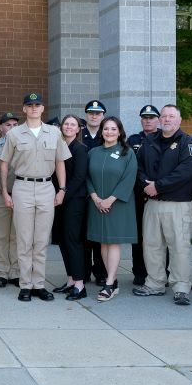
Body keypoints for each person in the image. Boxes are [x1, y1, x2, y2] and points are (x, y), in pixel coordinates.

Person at [0, 93, 70, 302]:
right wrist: (5, 190)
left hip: (46, 187)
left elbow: (60, 162)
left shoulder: (54, 133)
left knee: (40, 240)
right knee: (24, 239)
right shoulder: (14, 134)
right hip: (22, 187)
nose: (33, 108)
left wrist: (62, 189)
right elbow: (4, 163)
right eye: (29, 105)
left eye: (37, 105)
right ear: (24, 109)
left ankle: (38, 284)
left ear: (42, 108)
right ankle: (25, 285)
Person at [133, 104, 192, 306]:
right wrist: (146, 185)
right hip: (152, 203)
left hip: (178, 204)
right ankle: (155, 284)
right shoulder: (149, 141)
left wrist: (158, 186)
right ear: (160, 120)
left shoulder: (188, 143)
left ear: (179, 120)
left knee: (179, 247)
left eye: (172, 116)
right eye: (164, 116)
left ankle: (181, 287)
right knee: (151, 246)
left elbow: (186, 171)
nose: (167, 119)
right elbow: (137, 166)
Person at [86, 116, 138, 302]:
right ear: (101, 131)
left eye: (113, 129)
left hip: (117, 205)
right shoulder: (93, 152)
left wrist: (110, 199)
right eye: (106, 129)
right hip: (97, 204)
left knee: (113, 242)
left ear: (120, 132)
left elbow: (129, 178)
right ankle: (112, 280)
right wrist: (95, 198)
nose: (109, 132)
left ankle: (108, 284)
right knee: (103, 242)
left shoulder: (127, 152)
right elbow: (87, 177)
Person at [52, 114, 89, 300]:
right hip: (59, 201)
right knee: (62, 241)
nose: (68, 127)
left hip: (74, 201)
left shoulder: (80, 149)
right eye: (65, 124)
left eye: (72, 124)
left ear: (78, 129)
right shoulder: (58, 146)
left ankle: (80, 284)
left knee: (73, 241)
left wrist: (62, 194)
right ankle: (70, 281)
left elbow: (79, 177)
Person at [126, 105, 160, 286]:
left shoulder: (164, 138)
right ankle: (139, 272)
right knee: (138, 236)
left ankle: (161, 271)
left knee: (159, 237)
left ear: (158, 120)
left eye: (151, 117)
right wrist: (145, 184)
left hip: (159, 193)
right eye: (145, 117)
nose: (148, 120)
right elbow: (131, 166)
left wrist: (155, 185)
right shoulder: (133, 140)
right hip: (139, 194)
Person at [0, 112, 20, 289]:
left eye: (15, 125)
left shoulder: (23, 145)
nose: (11, 128)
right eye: (8, 125)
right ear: (1, 127)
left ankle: (15, 272)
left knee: (16, 236)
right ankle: (2, 272)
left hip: (20, 195)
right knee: (0, 235)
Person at [81, 100, 108, 286]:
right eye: (91, 112)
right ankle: (82, 272)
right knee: (82, 235)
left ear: (103, 116)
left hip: (100, 192)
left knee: (100, 235)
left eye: (98, 113)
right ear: (86, 115)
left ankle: (101, 272)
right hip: (81, 191)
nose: (94, 116)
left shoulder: (107, 134)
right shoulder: (78, 134)